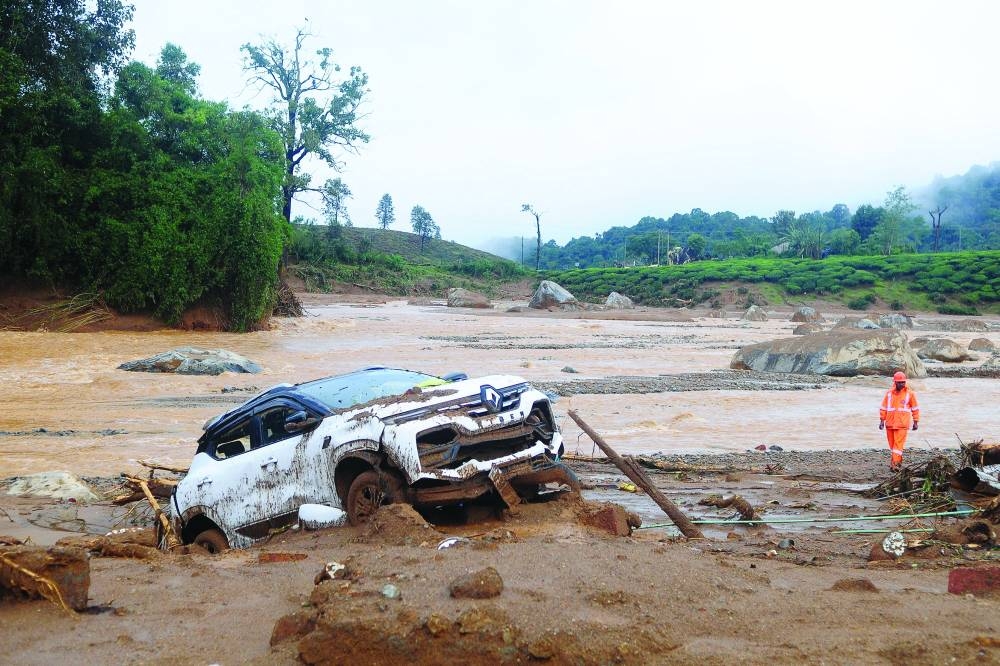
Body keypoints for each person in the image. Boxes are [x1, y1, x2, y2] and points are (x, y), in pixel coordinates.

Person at [879, 371, 920, 471]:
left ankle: (894, 464)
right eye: (899, 382)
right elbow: (883, 408)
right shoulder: (889, 394)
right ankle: (897, 462)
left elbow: (915, 408)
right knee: (893, 446)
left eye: (903, 382)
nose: (902, 384)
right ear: (895, 382)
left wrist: (916, 421)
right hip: (890, 424)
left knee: (898, 445)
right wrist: (881, 421)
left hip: (902, 424)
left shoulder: (910, 394)